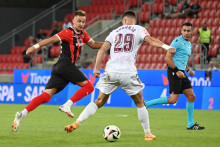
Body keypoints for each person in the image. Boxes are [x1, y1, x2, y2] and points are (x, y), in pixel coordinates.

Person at [64, 10, 175, 141]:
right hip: (128, 71)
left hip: (111, 71)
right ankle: (147, 133)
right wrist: (167, 47)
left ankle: (77, 122)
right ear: (134, 20)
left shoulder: (114, 32)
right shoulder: (139, 29)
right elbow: (151, 41)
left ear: (124, 21)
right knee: (140, 102)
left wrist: (96, 68)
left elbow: (102, 50)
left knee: (99, 101)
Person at [12, 10, 103, 132]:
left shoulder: (83, 34)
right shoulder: (67, 32)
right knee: (89, 88)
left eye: (83, 22)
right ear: (73, 21)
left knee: (45, 97)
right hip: (66, 65)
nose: (81, 24)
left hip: (60, 68)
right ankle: (67, 105)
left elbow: (94, 44)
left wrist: (109, 44)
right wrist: (34, 47)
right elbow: (50, 40)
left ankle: (22, 114)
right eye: (79, 21)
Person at [144, 23, 205, 130]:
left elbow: (181, 59)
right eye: (184, 30)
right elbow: (167, 58)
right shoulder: (177, 42)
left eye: (188, 31)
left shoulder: (188, 44)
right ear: (181, 31)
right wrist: (177, 71)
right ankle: (147, 104)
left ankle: (190, 124)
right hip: (174, 71)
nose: (186, 33)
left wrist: (188, 70)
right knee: (173, 100)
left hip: (182, 72)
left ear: (192, 32)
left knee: (191, 96)